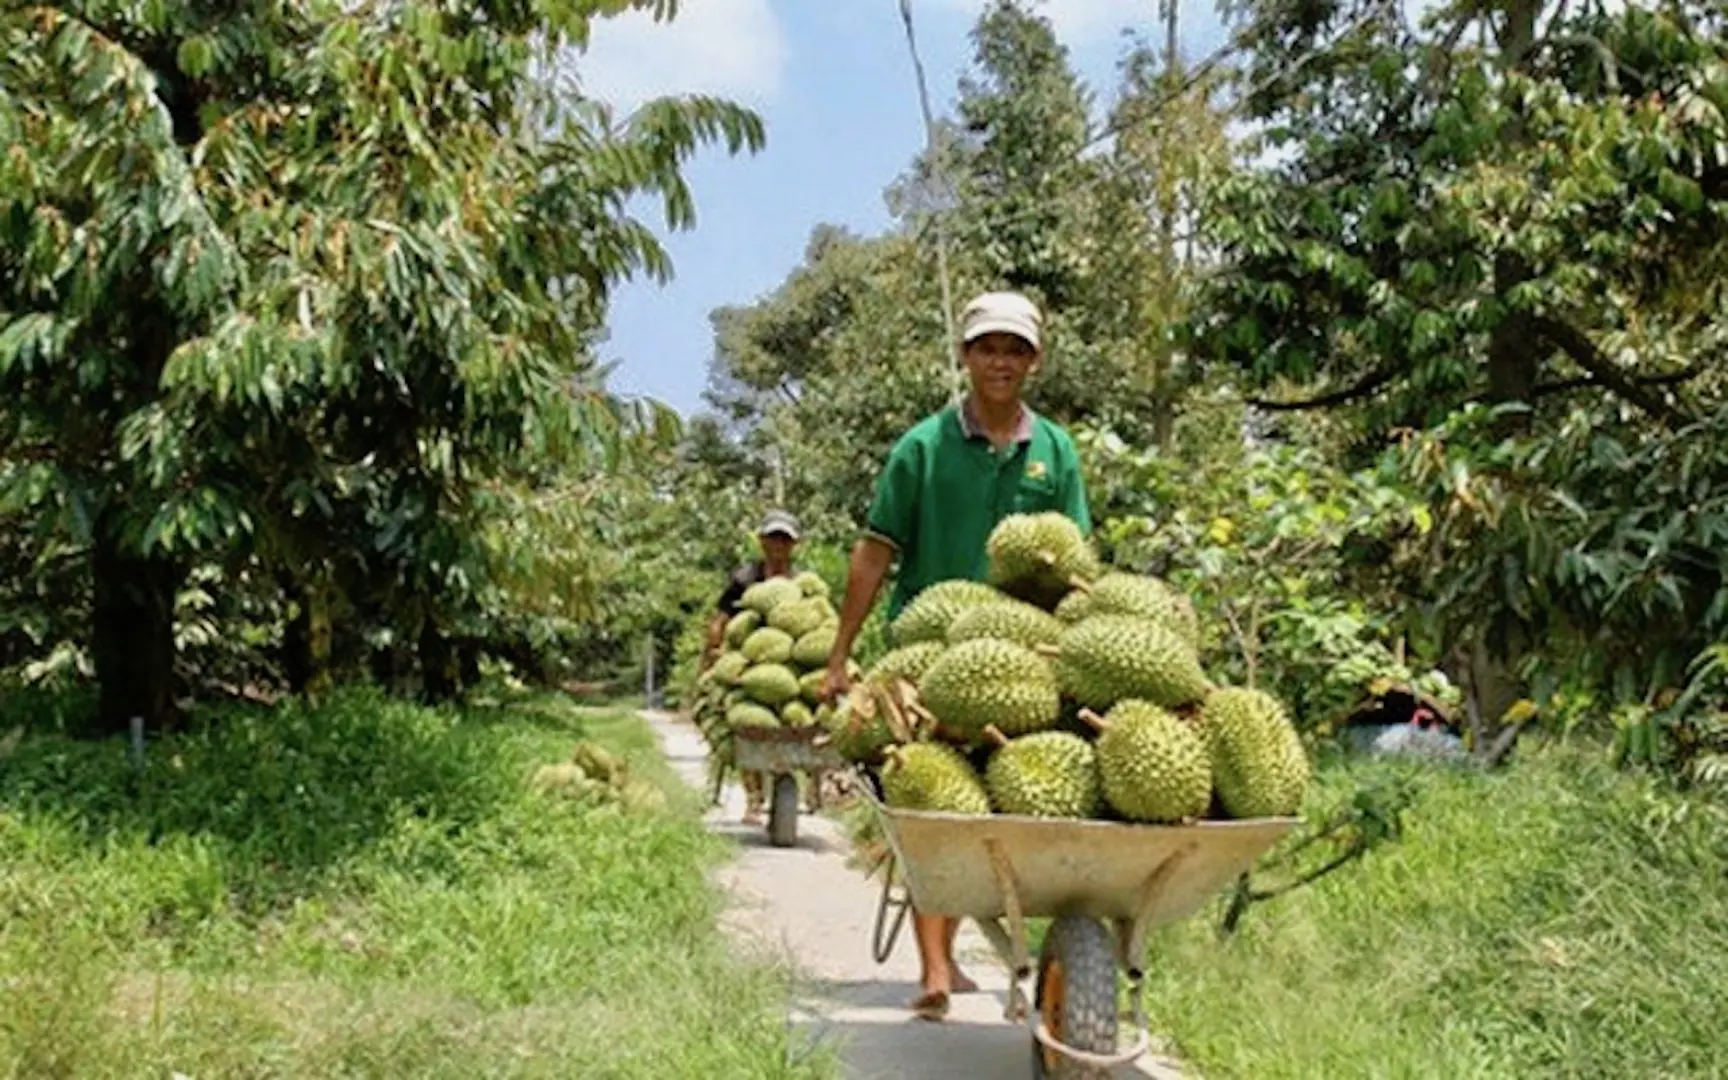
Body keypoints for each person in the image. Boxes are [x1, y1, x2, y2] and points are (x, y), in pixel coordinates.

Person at [821, 290, 1092, 1021]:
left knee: (1010, 798)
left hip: (1023, 653)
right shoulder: (923, 446)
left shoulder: (1055, 451)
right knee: (930, 800)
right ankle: (936, 966)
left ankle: (1045, 948)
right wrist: (841, 654)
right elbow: (876, 551)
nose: (1000, 361)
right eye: (987, 348)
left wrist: (1081, 639)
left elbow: (1076, 560)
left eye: (1014, 349)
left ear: (1033, 361)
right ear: (966, 357)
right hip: (925, 648)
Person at [702, 508, 803, 825]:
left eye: (784, 539)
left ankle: (784, 780)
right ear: (761, 541)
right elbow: (720, 620)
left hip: (790, 665)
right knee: (744, 724)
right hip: (745, 663)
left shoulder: (801, 583)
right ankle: (753, 797)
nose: (778, 545)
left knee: (789, 725)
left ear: (794, 545)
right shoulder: (744, 579)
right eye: (772, 538)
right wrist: (713, 655)